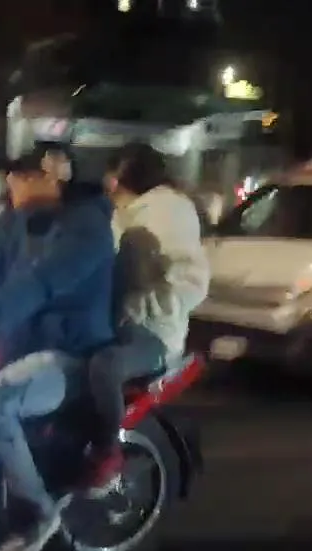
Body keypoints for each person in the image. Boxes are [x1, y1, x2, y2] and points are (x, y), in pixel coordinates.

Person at [0, 145, 116, 551]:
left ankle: (38, 512)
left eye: (23, 175)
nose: (11, 184)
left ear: (55, 177)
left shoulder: (86, 227)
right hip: (19, 342)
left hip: (70, 353)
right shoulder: (20, 222)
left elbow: (42, 282)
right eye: (11, 175)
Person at [83, 142, 210, 494]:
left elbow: (189, 279)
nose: (108, 181)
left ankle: (107, 455)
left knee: (104, 367)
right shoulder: (122, 212)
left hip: (152, 333)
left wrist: (151, 292)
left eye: (112, 172)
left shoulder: (166, 211)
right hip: (119, 321)